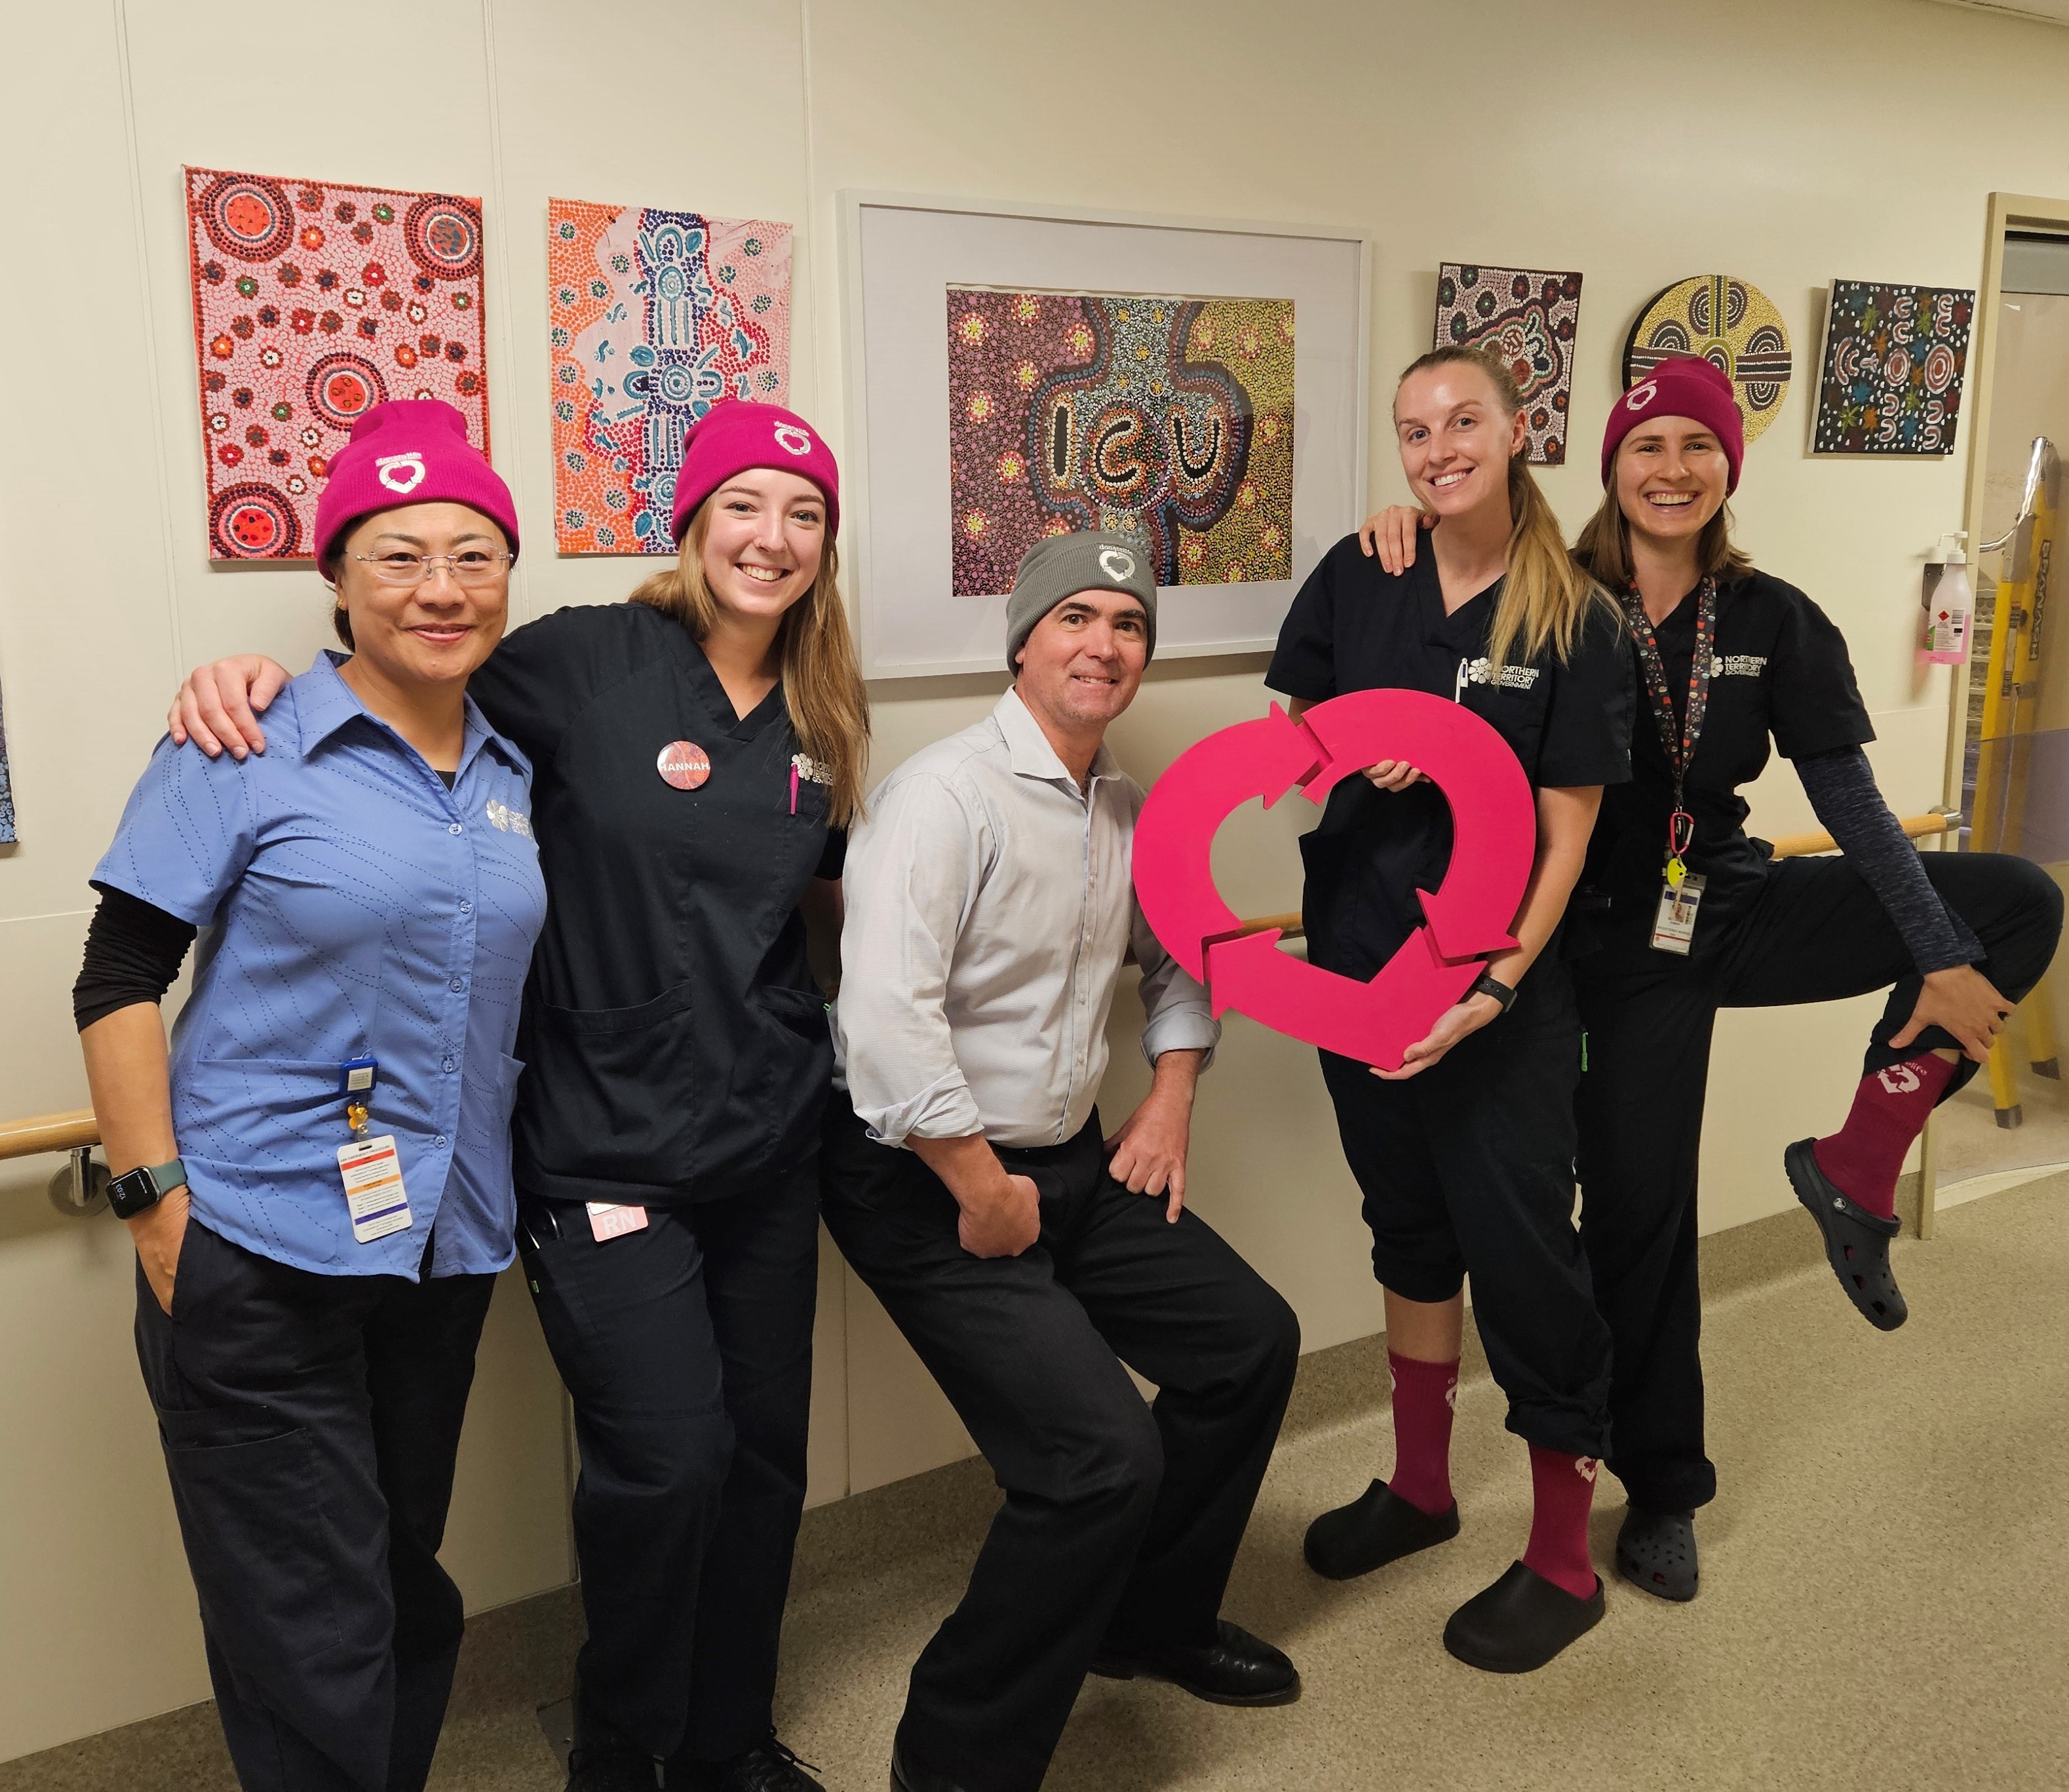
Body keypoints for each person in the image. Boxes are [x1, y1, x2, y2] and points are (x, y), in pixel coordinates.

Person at [166, 400, 868, 1792]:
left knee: (763, 1463)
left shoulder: (820, 708)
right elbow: (406, 690)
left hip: (765, 1141)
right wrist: (249, 676)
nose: (770, 539)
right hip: (598, 1144)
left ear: (825, 546)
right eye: (743, 505)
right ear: (689, 521)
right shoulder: (586, 661)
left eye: (802, 515)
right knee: (667, 1461)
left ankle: (728, 1734)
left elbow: (810, 899)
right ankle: (625, 1743)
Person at [1359, 353, 2062, 1603]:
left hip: (1723, 901)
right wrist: (1410, 519)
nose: (1671, 470)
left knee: (2012, 901)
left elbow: (1844, 795)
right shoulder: (1548, 592)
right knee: (1638, 1215)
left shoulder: (1769, 616)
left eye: (1696, 446)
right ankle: (1663, 1485)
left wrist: (1938, 954)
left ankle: (1857, 1157)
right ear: (1609, 466)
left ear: (1727, 465)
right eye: (1645, 446)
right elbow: (1441, 660)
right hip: (1599, 948)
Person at [79, 400, 546, 1792]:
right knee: (317, 1628)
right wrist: (158, 1205)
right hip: (254, 1244)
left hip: (436, 1247)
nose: (441, 588)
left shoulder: (517, 769)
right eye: (398, 555)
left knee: (400, 1588)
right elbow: (118, 977)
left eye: (473, 553)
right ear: (335, 580)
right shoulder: (242, 744)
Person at [821, 531, 1302, 1792]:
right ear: (1024, 640)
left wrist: (1173, 1092)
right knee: (1096, 1463)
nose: (1103, 644)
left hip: (1075, 1162)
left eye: (1127, 625)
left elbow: (1183, 954)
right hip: (932, 1178)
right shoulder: (943, 797)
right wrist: (981, 1191)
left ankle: (1148, 1622)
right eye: (1076, 618)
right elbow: (884, 1021)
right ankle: (953, 1763)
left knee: (1247, 1344)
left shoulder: (1129, 809)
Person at [1277, 345, 1634, 1674]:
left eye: (1462, 420)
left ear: (1515, 426)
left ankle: (1558, 1554)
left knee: (1527, 1259)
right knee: (1408, 1228)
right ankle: (1420, 1488)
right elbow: (1293, 722)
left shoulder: (1576, 619)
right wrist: (1345, 735)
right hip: (1360, 969)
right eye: (1413, 430)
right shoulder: (1364, 571)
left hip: (1495, 999)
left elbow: (1566, 835)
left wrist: (1496, 983)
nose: (1436, 448)